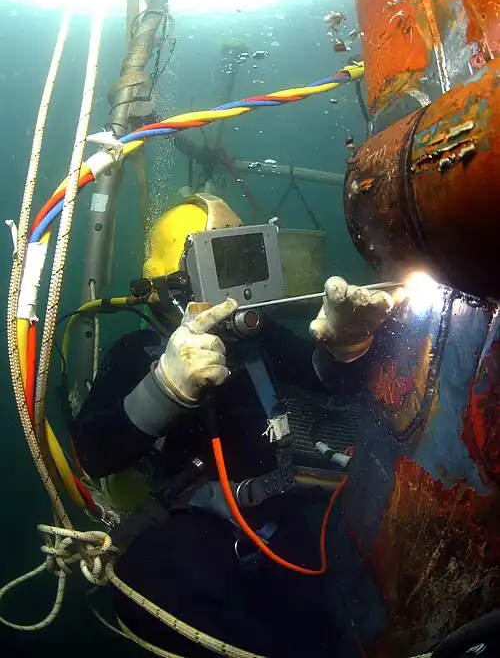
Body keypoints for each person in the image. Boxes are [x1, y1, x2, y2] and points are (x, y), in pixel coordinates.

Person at [71, 192, 395, 658]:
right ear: (173, 282)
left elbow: (326, 381)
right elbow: (95, 451)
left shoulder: (256, 335)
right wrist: (163, 387)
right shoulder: (138, 350)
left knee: (337, 611)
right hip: (194, 522)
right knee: (145, 585)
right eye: (223, 266)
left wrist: (347, 344)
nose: (239, 289)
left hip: (280, 514)